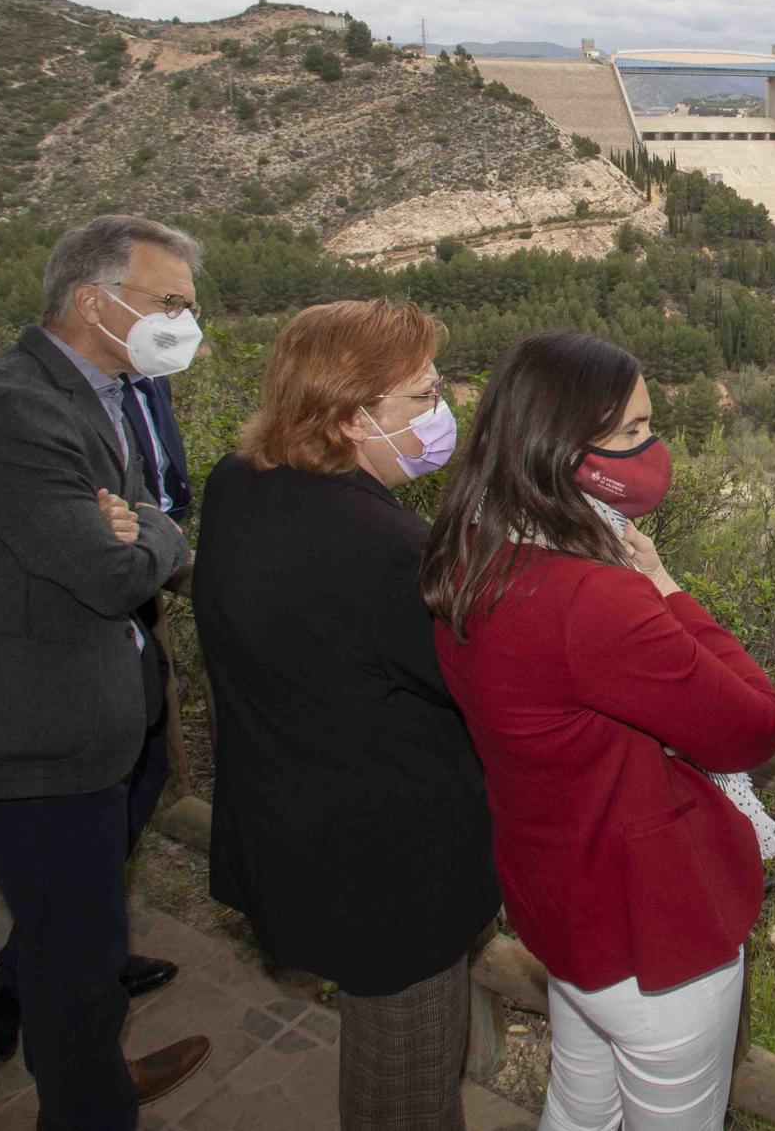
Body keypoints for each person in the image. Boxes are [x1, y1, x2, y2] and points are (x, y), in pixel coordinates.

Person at [422, 329, 775, 1131]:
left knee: (580, 1102)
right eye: (629, 432)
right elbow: (755, 727)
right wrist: (667, 588)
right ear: (561, 445)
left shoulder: (470, 556)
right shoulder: (592, 599)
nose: (650, 449)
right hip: (654, 934)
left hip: (563, 907)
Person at [0, 215, 214, 1127]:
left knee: (66, 925)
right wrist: (154, 530)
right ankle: (89, 1103)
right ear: (91, 301)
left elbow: (138, 509)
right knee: (79, 957)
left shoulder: (94, 391)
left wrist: (138, 520)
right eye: (169, 305)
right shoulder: (9, 412)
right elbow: (115, 564)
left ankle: (85, 1071)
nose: (185, 325)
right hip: (30, 742)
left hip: (98, 710)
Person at [192, 299, 500, 1129]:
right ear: (353, 417)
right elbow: (475, 681)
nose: (445, 411)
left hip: (292, 823)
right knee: (406, 1073)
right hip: (392, 871)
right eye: (424, 397)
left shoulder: (238, 483)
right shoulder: (382, 551)